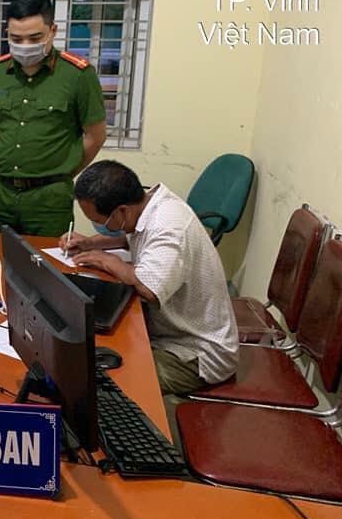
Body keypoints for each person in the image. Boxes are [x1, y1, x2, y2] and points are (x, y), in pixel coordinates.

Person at [62, 160, 239, 395]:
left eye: (100, 221)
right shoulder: (147, 206)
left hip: (195, 352)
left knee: (105, 384)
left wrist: (109, 261)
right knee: (94, 354)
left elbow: (149, 289)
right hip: (166, 331)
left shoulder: (169, 226)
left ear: (122, 211)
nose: (99, 226)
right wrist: (90, 243)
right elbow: (131, 237)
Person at [0, 0, 107, 236]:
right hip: (2, 193)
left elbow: (95, 136)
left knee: (47, 259)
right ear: (7, 33)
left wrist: (63, 171)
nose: (25, 46)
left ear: (52, 31)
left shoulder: (77, 75)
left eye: (35, 37)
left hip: (50, 197)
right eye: (16, 38)